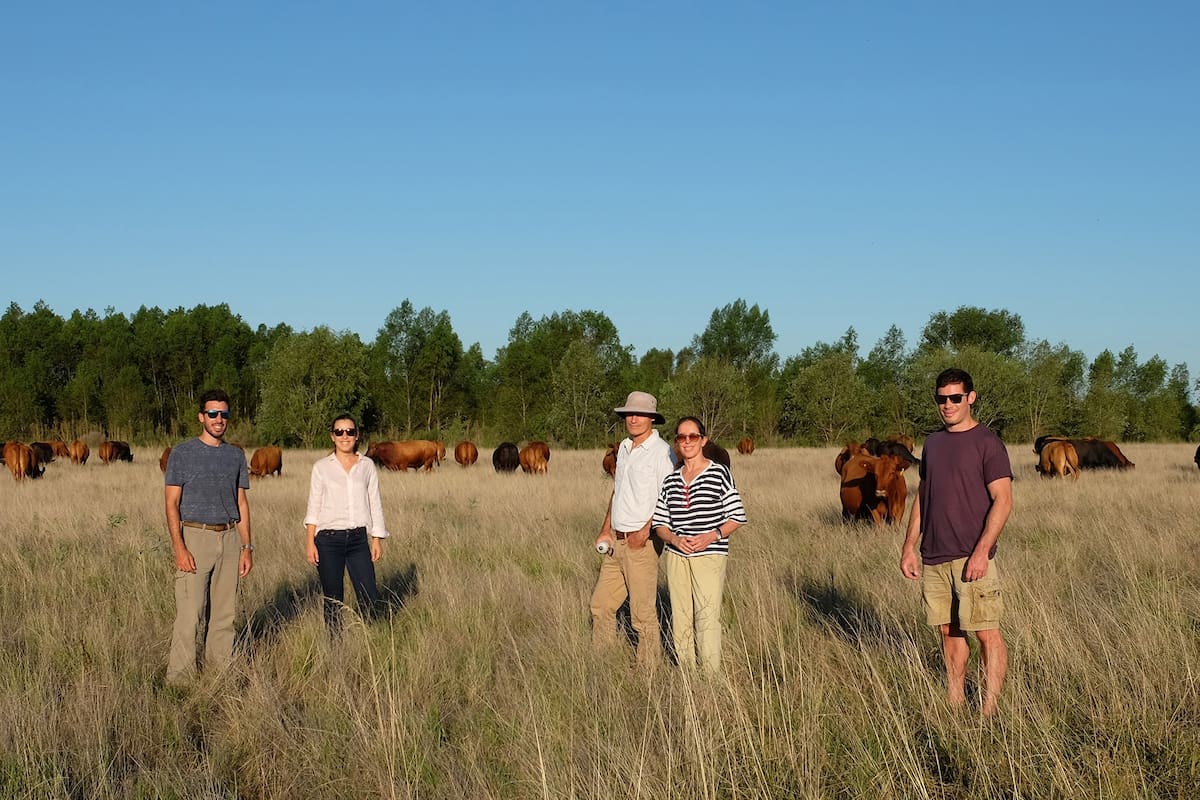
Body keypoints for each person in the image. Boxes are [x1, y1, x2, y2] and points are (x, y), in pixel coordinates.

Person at [900, 368, 1013, 716]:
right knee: (949, 631)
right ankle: (955, 699)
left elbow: (1003, 500)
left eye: (955, 398)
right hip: (934, 555)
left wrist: (981, 552)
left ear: (970, 398)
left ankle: (989, 710)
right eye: (941, 399)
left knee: (985, 633)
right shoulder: (932, 444)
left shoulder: (987, 443)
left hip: (971, 557)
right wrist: (909, 545)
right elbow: (924, 495)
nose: (947, 405)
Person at [165, 389, 253, 684]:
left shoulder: (235, 455)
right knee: (190, 614)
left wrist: (247, 546)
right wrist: (179, 546)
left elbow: (241, 502)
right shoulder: (182, 454)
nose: (219, 419)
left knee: (225, 615)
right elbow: (171, 503)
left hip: (229, 538)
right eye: (213, 414)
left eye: (224, 414)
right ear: (201, 417)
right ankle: (180, 680)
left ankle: (219, 676)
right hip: (195, 536)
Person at [652, 416, 747, 672]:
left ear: (703, 440)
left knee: (706, 616)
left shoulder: (719, 472)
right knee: (680, 616)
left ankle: (710, 677)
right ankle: (687, 673)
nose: (687, 442)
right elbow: (659, 523)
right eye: (681, 437)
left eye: (692, 436)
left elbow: (737, 517)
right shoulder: (671, 480)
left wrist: (711, 535)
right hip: (677, 556)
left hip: (709, 555)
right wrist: (673, 538)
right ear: (676, 443)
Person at [590, 391, 676, 668]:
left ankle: (647, 671)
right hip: (616, 541)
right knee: (600, 605)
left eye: (640, 414)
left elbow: (668, 497)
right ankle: (602, 661)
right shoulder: (624, 448)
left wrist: (646, 532)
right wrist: (606, 529)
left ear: (652, 418)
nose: (634, 419)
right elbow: (618, 492)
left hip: (642, 544)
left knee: (641, 615)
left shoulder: (663, 453)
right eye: (629, 414)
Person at [304, 415, 388, 633]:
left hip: (358, 540)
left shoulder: (367, 465)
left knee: (369, 592)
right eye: (339, 432)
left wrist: (376, 538)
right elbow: (314, 506)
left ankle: (370, 637)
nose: (345, 436)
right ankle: (336, 646)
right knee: (333, 597)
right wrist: (310, 542)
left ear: (357, 435)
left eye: (349, 431)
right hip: (328, 541)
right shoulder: (321, 467)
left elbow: (375, 502)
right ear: (332, 436)